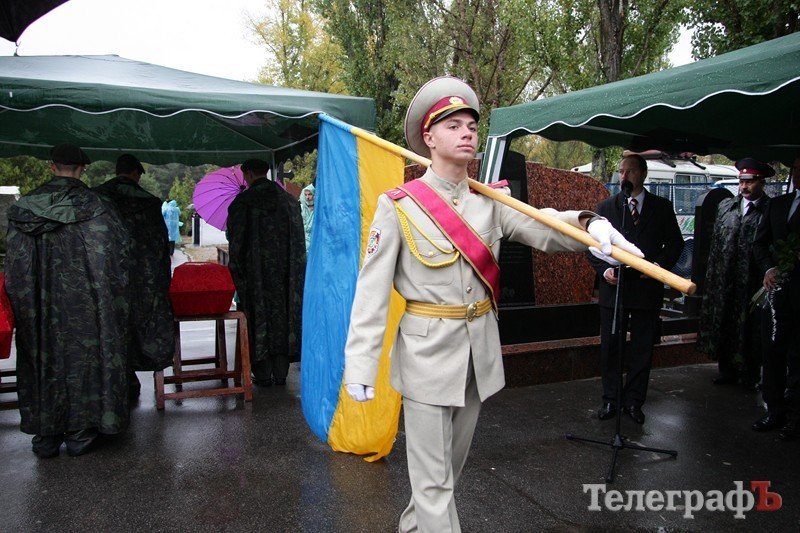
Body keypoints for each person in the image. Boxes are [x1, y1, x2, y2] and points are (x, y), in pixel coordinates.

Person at [343, 76, 642, 532]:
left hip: (476, 355)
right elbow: (371, 292)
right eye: (453, 125)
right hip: (426, 356)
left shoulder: (489, 202)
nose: (467, 132)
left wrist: (590, 225)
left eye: (470, 124)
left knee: (445, 475)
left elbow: (543, 227)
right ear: (428, 136)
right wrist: (360, 365)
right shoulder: (399, 207)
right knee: (433, 485)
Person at [5, 143, 131, 458]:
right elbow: (118, 260)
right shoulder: (99, 207)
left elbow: (15, 268)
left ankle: (46, 434)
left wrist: (26, 307)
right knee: (86, 362)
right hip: (88, 306)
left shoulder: (25, 209)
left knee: (41, 360)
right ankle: (81, 431)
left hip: (39, 309)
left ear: (52, 167)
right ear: (82, 169)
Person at [588, 153, 684, 425]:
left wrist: (654, 266)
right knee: (611, 347)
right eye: (620, 172)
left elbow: (675, 245)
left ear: (642, 174)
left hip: (645, 290)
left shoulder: (661, 208)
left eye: (629, 172)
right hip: (613, 290)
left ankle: (634, 402)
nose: (623, 177)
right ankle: (610, 399)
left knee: (642, 348)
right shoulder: (606, 208)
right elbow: (591, 247)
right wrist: (603, 270)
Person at [94, 154, 175, 399]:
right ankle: (140, 378)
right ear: (136, 174)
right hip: (143, 278)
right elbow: (160, 245)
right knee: (142, 325)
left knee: (108, 326)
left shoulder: (96, 198)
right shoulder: (149, 202)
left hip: (103, 275)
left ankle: (117, 383)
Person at [227, 159, 306, 386]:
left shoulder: (242, 203)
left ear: (249, 174)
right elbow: (300, 244)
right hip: (286, 275)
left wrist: (239, 276)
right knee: (284, 318)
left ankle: (261, 373)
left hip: (255, 276)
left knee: (257, 319)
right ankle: (281, 371)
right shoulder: (290, 202)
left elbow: (236, 244)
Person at [698, 158, 772, 390]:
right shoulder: (727, 206)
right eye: (741, 182)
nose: (744, 187)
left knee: (750, 328)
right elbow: (717, 244)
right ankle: (726, 369)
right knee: (725, 323)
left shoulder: (770, 209)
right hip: (724, 279)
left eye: (749, 182)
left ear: (761, 182)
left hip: (751, 280)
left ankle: (749, 374)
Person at [751, 155, 800, 440]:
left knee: (797, 355)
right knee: (773, 351)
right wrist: (769, 268)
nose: (795, 173)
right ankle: (774, 409)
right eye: (794, 168)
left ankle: (795, 415)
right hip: (776, 294)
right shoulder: (779, 205)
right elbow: (760, 243)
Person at [299, 182, 315, 251]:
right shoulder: (301, 208)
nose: (307, 197)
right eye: (305, 195)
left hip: (315, 239)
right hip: (303, 240)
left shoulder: (318, 209)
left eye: (310, 194)